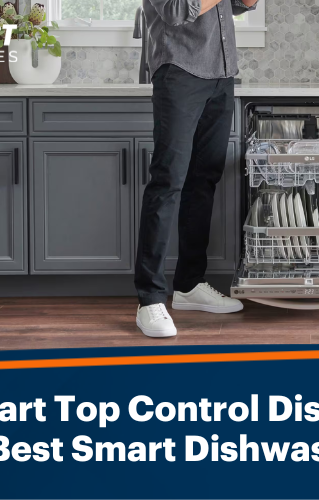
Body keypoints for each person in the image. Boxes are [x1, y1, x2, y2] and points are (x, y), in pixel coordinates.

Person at [136, 0, 258, 338]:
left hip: (221, 73)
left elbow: (236, 6)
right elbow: (177, 10)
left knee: (203, 180)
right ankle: (149, 299)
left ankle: (189, 285)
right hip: (179, 72)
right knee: (167, 182)